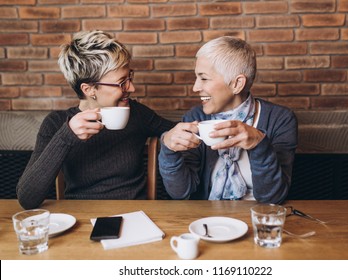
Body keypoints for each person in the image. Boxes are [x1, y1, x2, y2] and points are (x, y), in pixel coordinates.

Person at [17, 30, 175, 209]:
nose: (132, 87)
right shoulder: (56, 123)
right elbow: (27, 199)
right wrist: (65, 136)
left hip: (135, 215)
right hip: (80, 218)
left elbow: (177, 132)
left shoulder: (137, 113)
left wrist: (170, 136)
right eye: (122, 82)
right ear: (89, 89)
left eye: (129, 76)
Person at [158, 36, 297, 203]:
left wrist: (259, 145)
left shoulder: (280, 119)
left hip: (256, 216)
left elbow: (273, 198)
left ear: (237, 84)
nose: (195, 87)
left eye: (204, 78)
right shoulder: (195, 118)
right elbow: (181, 193)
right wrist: (168, 149)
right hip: (206, 219)